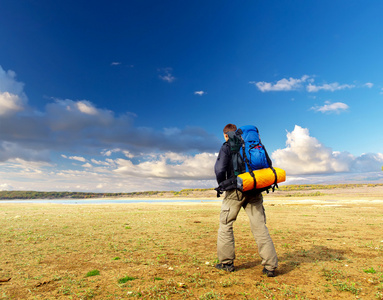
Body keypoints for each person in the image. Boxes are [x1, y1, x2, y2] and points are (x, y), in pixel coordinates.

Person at [214, 123, 278, 276]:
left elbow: (220, 169)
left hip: (234, 191)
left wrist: (223, 184)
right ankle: (270, 266)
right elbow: (268, 165)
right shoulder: (255, 145)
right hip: (255, 189)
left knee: (226, 224)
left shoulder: (227, 145)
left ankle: (226, 263)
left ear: (225, 134)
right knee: (260, 227)